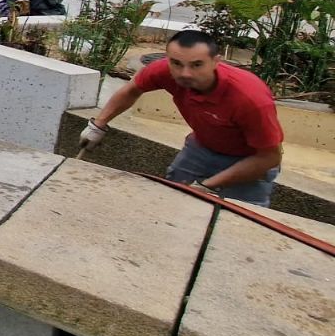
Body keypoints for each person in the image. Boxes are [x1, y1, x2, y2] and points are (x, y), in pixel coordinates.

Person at [79, 29, 283, 206]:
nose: (185, 73)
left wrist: (207, 186)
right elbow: (131, 90)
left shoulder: (249, 98)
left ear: (216, 62)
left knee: (242, 219)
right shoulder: (164, 71)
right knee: (171, 197)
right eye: (176, 63)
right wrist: (99, 125)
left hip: (249, 160)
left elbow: (269, 157)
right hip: (201, 148)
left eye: (196, 65)